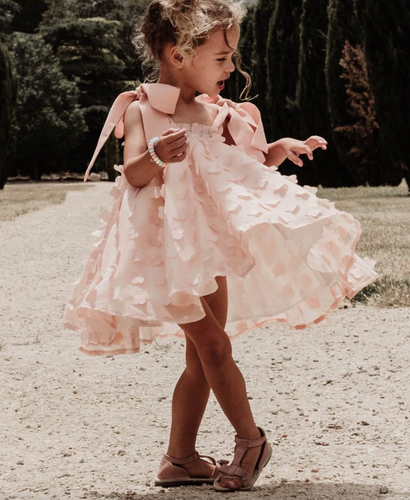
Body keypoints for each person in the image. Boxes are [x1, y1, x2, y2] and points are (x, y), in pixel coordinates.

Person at [63, 0, 378, 492]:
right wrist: (155, 155)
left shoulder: (216, 114)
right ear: (179, 54)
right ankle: (251, 441)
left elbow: (237, 169)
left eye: (232, 56)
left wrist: (278, 149)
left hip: (207, 249)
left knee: (200, 357)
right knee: (213, 344)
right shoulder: (144, 110)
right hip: (166, 254)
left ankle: (180, 458)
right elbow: (134, 176)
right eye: (222, 57)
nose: (233, 67)